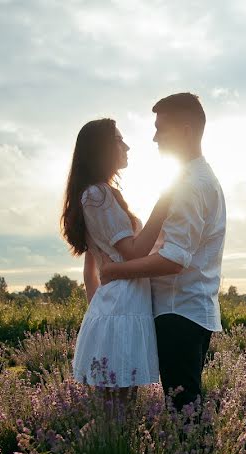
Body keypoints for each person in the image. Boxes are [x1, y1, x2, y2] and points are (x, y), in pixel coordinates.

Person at [99, 93, 225, 410]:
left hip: (178, 312)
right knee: (185, 406)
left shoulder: (191, 184)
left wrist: (114, 271)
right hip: (191, 309)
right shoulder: (195, 178)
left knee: (184, 412)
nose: (154, 137)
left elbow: (174, 259)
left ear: (185, 131)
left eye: (161, 129)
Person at [61, 118, 172, 395]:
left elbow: (91, 270)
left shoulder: (96, 194)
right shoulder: (98, 195)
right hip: (122, 307)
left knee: (118, 406)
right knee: (118, 407)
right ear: (102, 148)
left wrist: (100, 316)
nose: (127, 146)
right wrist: (163, 203)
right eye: (119, 140)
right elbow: (134, 252)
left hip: (118, 308)